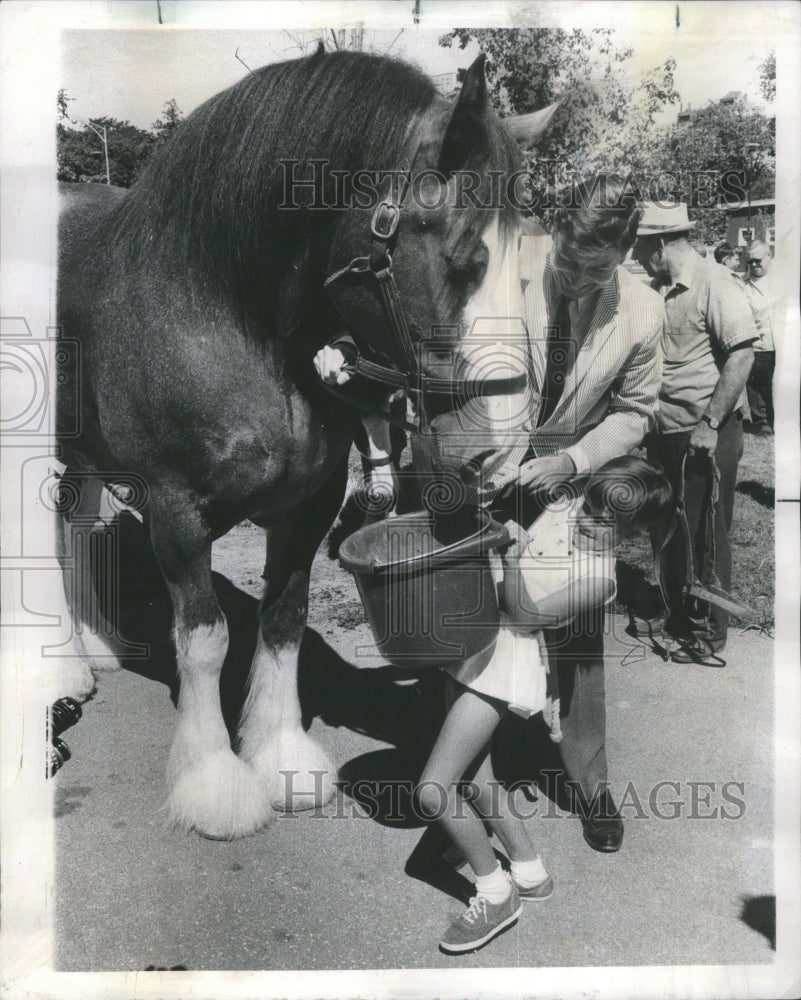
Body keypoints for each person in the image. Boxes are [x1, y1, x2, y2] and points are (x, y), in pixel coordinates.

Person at [415, 456, 673, 954]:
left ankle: (494, 893)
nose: (587, 520)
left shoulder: (601, 579)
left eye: (605, 522)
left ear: (633, 535)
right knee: (474, 777)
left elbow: (527, 614)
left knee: (433, 791)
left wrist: (509, 557)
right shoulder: (568, 507)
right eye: (589, 505)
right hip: (477, 642)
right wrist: (496, 526)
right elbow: (506, 527)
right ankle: (529, 872)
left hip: (508, 664)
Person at [492, 175, 665, 854]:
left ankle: (589, 783)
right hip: (488, 463)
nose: (575, 276)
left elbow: (635, 413)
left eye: (595, 269)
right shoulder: (508, 265)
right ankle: (481, 777)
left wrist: (569, 463)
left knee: (577, 634)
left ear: (623, 251)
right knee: (484, 618)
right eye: (567, 258)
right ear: (556, 230)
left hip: (570, 479)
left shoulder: (643, 310)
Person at [633, 202, 758, 666]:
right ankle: (679, 616)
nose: (638, 252)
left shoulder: (715, 283)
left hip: (708, 431)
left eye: (641, 245)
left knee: (707, 531)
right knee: (668, 525)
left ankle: (710, 631)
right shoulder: (657, 289)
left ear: (660, 244)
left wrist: (709, 424)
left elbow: (742, 356)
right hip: (665, 431)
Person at [743, 240, 778, 434]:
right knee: (757, 383)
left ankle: (781, 419)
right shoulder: (744, 285)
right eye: (750, 262)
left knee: (779, 384)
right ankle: (762, 421)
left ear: (769, 256)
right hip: (759, 344)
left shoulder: (783, 280)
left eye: (757, 260)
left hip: (783, 342)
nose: (754, 265)